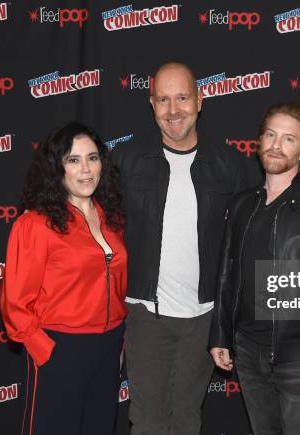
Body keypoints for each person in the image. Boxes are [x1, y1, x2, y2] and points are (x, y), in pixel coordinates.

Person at [110, 62, 248, 435]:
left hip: (204, 319)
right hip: (145, 316)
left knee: (188, 418)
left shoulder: (230, 165)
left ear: (200, 100)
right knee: (149, 421)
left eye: (182, 98)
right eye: (164, 100)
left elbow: (246, 245)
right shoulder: (125, 162)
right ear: (152, 104)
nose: (173, 111)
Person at [209, 102, 300, 435]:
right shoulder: (242, 204)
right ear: (259, 141)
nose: (275, 144)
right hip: (246, 350)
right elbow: (226, 276)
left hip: (299, 357)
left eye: (288, 139)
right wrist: (220, 336)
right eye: (270, 134)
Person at [0, 122, 127, 435]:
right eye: (73, 160)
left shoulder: (111, 216)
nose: (85, 169)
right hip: (60, 349)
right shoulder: (35, 223)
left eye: (92, 158)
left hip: (109, 349)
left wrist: (119, 341)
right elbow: (15, 303)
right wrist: (45, 351)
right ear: (56, 168)